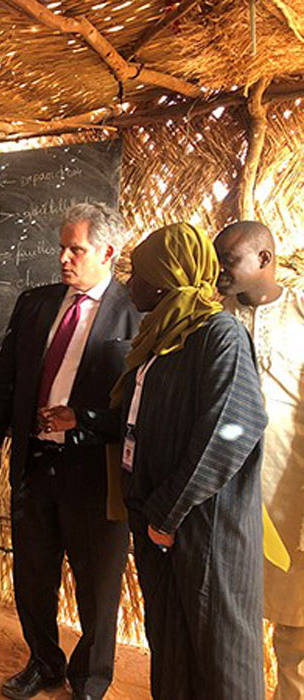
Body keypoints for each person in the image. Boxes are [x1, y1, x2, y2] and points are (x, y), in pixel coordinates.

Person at [71, 222, 268, 698]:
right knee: (172, 645)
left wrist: (168, 512)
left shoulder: (219, 334)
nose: (128, 281)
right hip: (160, 519)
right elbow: (145, 421)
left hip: (204, 526)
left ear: (166, 277)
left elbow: (230, 431)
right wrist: (84, 418)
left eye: (137, 273)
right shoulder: (164, 335)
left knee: (221, 658)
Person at [0, 202, 139, 700]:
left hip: (95, 470)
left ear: (107, 252)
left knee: (97, 583)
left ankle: (90, 679)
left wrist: (84, 423)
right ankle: (44, 662)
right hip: (35, 460)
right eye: (62, 248)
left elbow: (137, 403)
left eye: (77, 249)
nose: (65, 259)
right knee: (32, 573)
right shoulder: (35, 302)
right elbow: (7, 374)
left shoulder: (136, 314)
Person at [215, 221, 304, 700]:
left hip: (290, 502)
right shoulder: (212, 319)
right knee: (234, 624)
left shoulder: (301, 315)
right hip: (230, 502)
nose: (220, 271)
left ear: (265, 261)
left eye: (229, 261)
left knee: (296, 634)